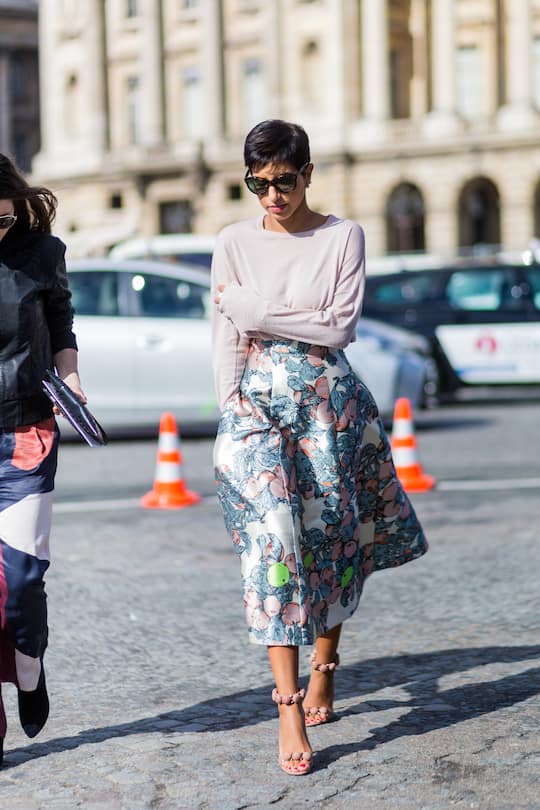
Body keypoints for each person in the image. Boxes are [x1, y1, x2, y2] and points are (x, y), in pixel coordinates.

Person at [211, 119, 428, 776]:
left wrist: (254, 309)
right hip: (256, 406)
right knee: (274, 540)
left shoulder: (343, 237)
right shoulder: (233, 241)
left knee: (330, 538)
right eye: (258, 183)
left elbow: (338, 325)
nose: (271, 195)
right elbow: (223, 336)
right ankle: (286, 703)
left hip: (329, 404)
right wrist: (230, 408)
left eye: (283, 181)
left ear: (307, 174)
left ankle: (324, 666)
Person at [0, 153, 85, 767]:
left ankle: (30, 671)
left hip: (25, 430)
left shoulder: (40, 253)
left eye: (0, 221)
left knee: (22, 583)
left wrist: (71, 376)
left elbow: (60, 315)